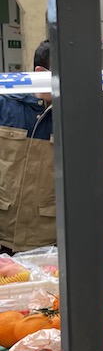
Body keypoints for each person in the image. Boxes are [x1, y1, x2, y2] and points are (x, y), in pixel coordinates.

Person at [0, 40, 55, 254]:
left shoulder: (73, 119)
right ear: (41, 73)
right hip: (3, 237)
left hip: (48, 244)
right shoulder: (5, 107)